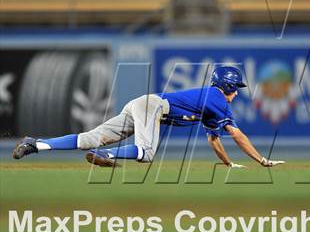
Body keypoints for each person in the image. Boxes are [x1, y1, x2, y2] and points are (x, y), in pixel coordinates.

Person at [12, 66, 284, 168]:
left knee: (89, 137)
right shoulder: (217, 99)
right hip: (152, 107)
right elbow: (237, 135)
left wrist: (228, 164)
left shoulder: (212, 103)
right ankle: (107, 156)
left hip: (143, 105)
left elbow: (215, 139)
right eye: (235, 89)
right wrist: (262, 160)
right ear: (226, 86)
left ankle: (35, 143)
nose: (236, 94)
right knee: (146, 152)